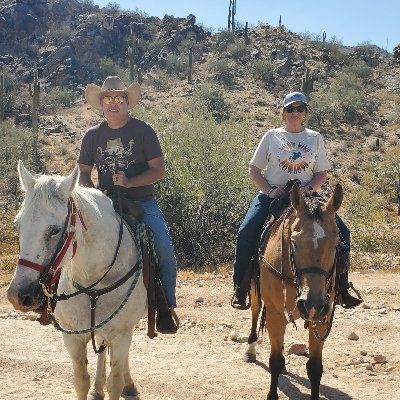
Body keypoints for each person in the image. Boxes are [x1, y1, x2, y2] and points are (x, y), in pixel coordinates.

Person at [232, 91, 362, 310]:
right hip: (273, 195)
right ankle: (241, 288)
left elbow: (322, 172)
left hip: (308, 198)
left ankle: (341, 288)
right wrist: (269, 190)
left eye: (300, 108)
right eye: (291, 109)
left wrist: (309, 188)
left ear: (305, 113)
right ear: (283, 113)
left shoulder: (314, 137)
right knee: (246, 232)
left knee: (343, 233)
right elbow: (254, 170)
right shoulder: (271, 136)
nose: (295, 112)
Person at [77, 75, 178, 333]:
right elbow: (83, 172)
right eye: (107, 99)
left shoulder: (143, 131)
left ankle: (166, 306)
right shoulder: (92, 136)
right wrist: (91, 194)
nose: (113, 104)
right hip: (105, 203)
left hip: (142, 202)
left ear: (126, 103)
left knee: (163, 247)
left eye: (118, 98)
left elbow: (159, 170)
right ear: (101, 104)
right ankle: (55, 299)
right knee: (68, 239)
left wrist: (130, 182)